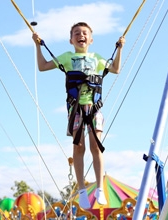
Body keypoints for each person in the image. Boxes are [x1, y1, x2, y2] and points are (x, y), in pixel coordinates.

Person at [32, 22, 125, 209]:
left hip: (94, 108)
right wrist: (37, 45)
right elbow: (42, 66)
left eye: (84, 33)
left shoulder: (97, 58)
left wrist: (120, 48)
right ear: (70, 40)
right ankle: (82, 190)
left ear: (91, 39)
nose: (80, 35)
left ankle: (99, 188)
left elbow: (115, 69)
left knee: (96, 146)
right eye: (76, 33)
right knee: (78, 147)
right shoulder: (67, 57)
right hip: (75, 109)